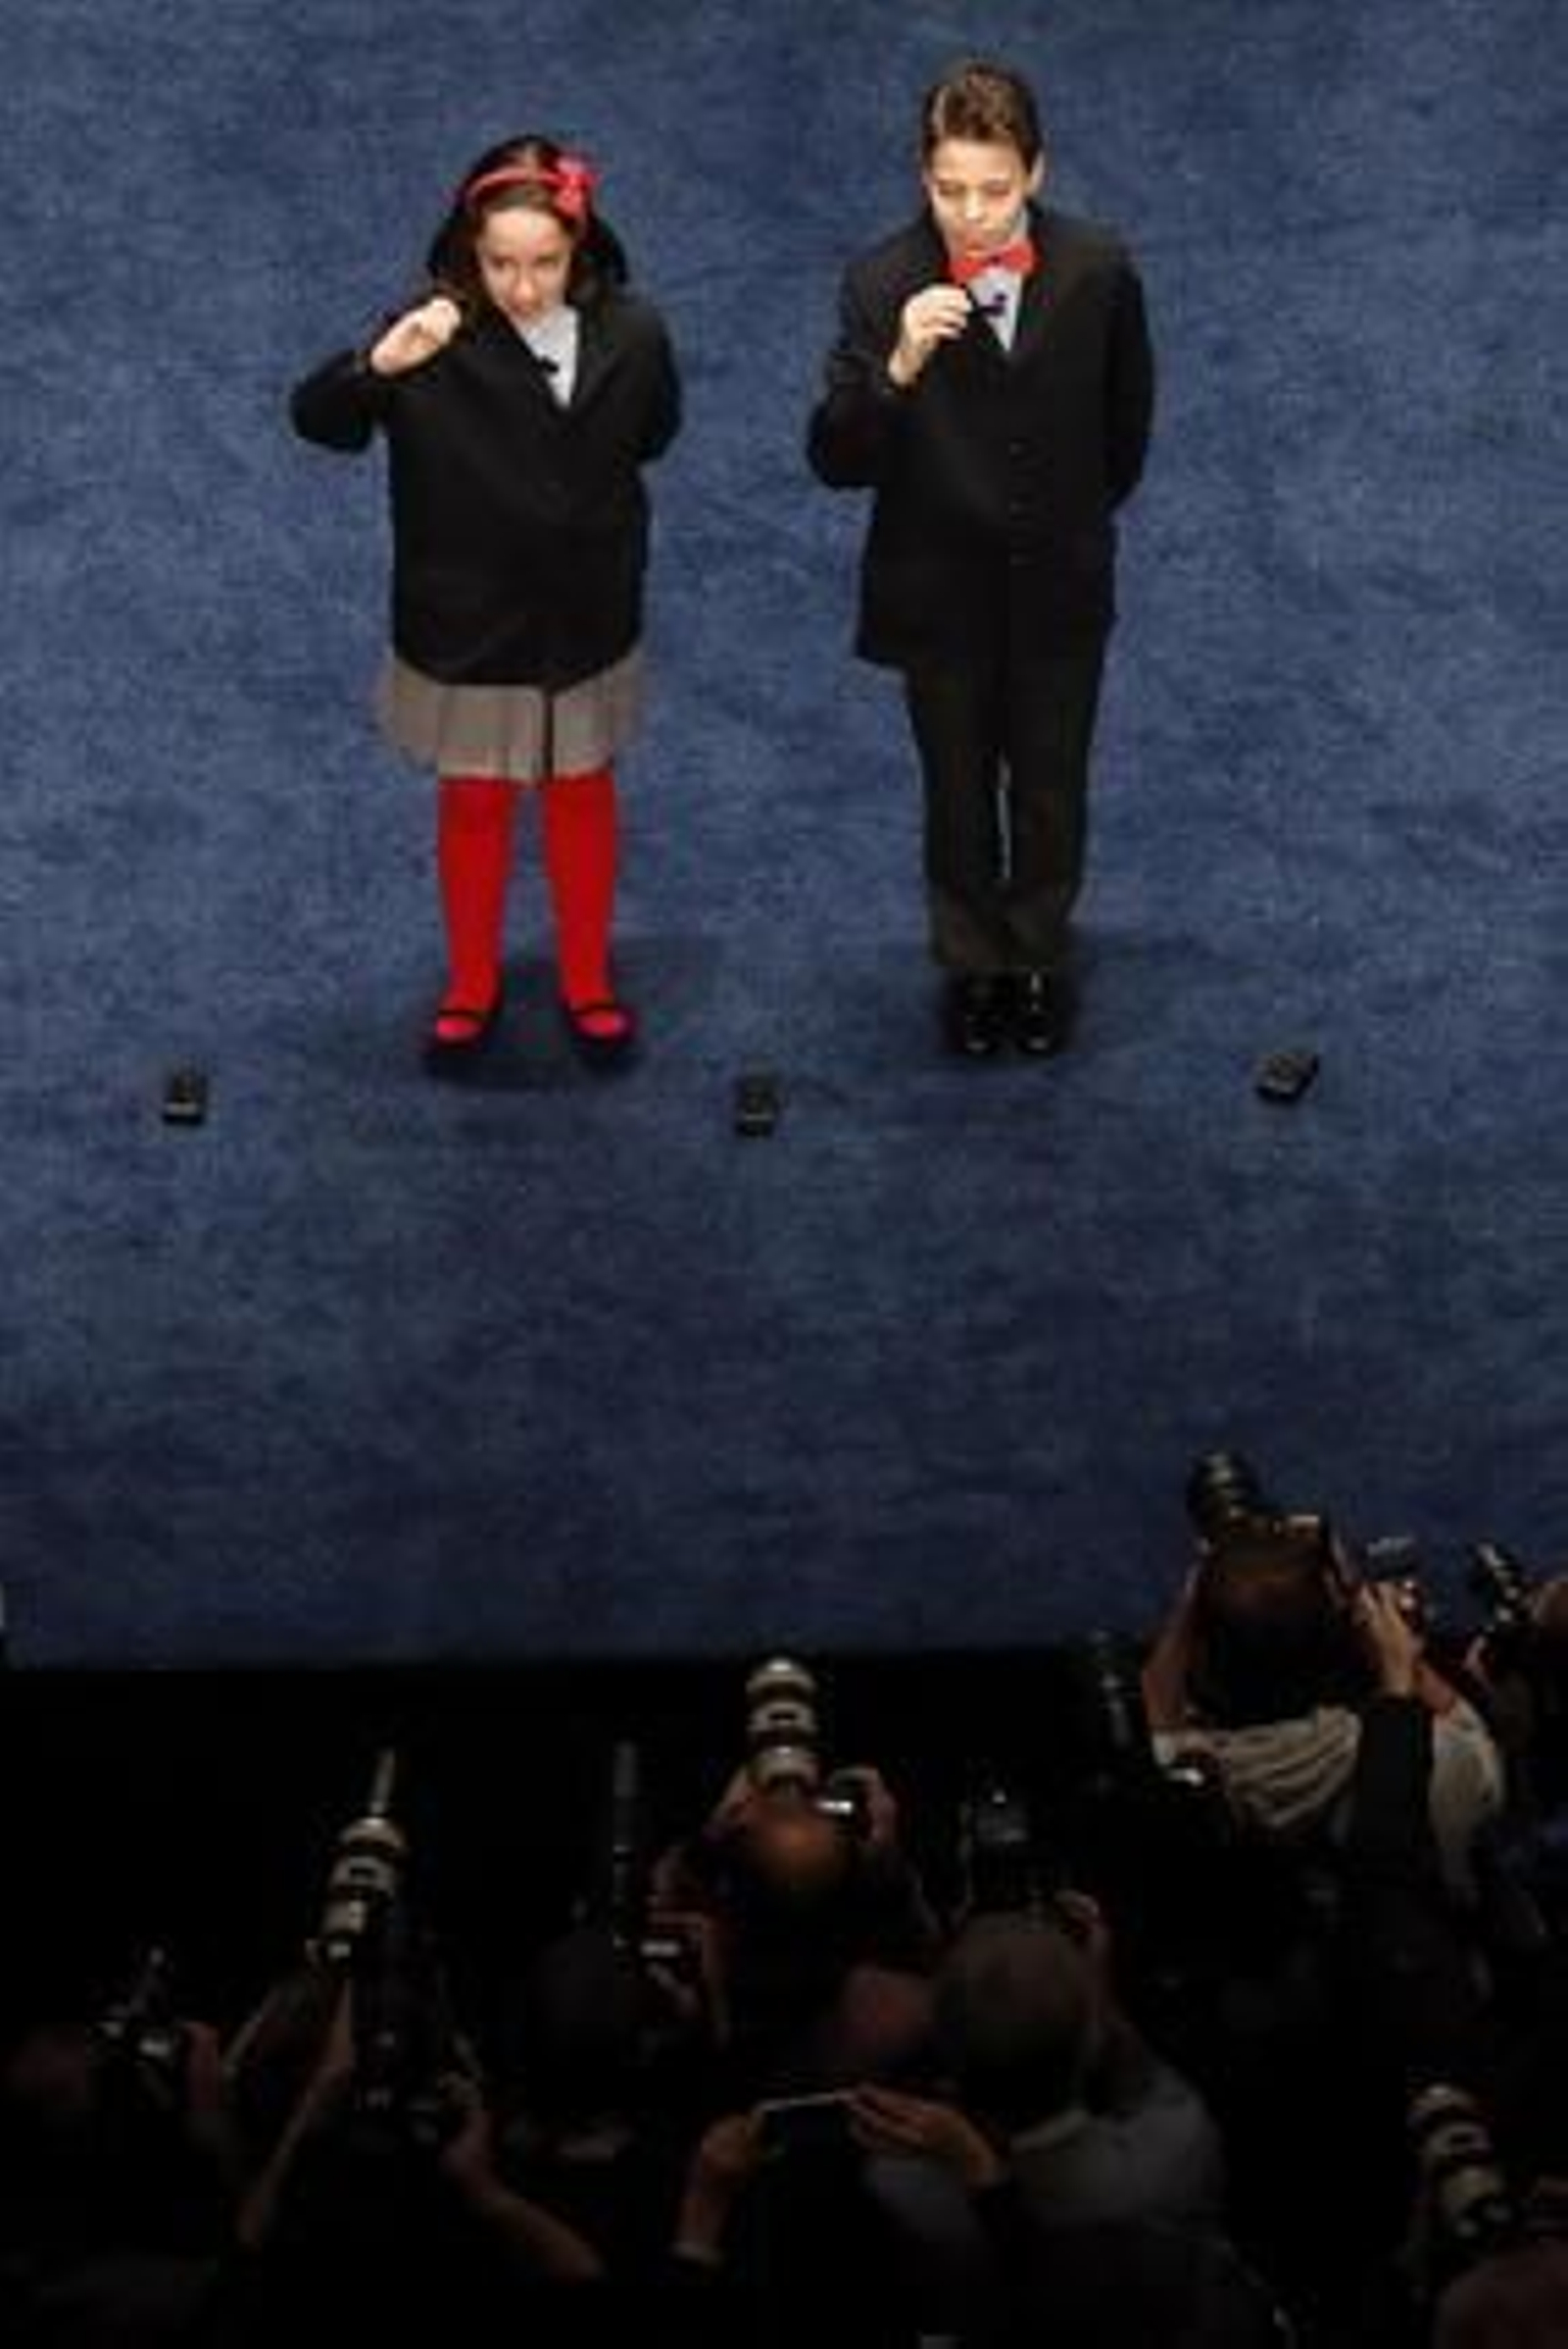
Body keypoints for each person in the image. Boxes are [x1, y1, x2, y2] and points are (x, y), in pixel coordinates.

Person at [290, 134, 681, 1070]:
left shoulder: (635, 332)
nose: (522, 285)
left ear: (579, 249)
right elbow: (319, 421)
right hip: (467, 620)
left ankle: (587, 978)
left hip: (586, 614)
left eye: (544, 262)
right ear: (468, 251)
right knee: (476, 802)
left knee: (583, 792)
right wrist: (375, 366)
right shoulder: (428, 334)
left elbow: (655, 431)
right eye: (499, 263)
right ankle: (471, 983)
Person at [808, 60, 1153, 1058]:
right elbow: (835, 458)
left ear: (1034, 173)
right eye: (949, 189)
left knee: (1050, 787)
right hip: (937, 596)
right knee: (955, 791)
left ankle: (1037, 957)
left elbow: (1124, 424)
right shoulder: (878, 284)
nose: (972, 214)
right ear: (923, 177)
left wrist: (1074, 521)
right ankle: (971, 966)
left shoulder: (1097, 268)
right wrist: (897, 368)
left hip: (1059, 587)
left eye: (994, 190)